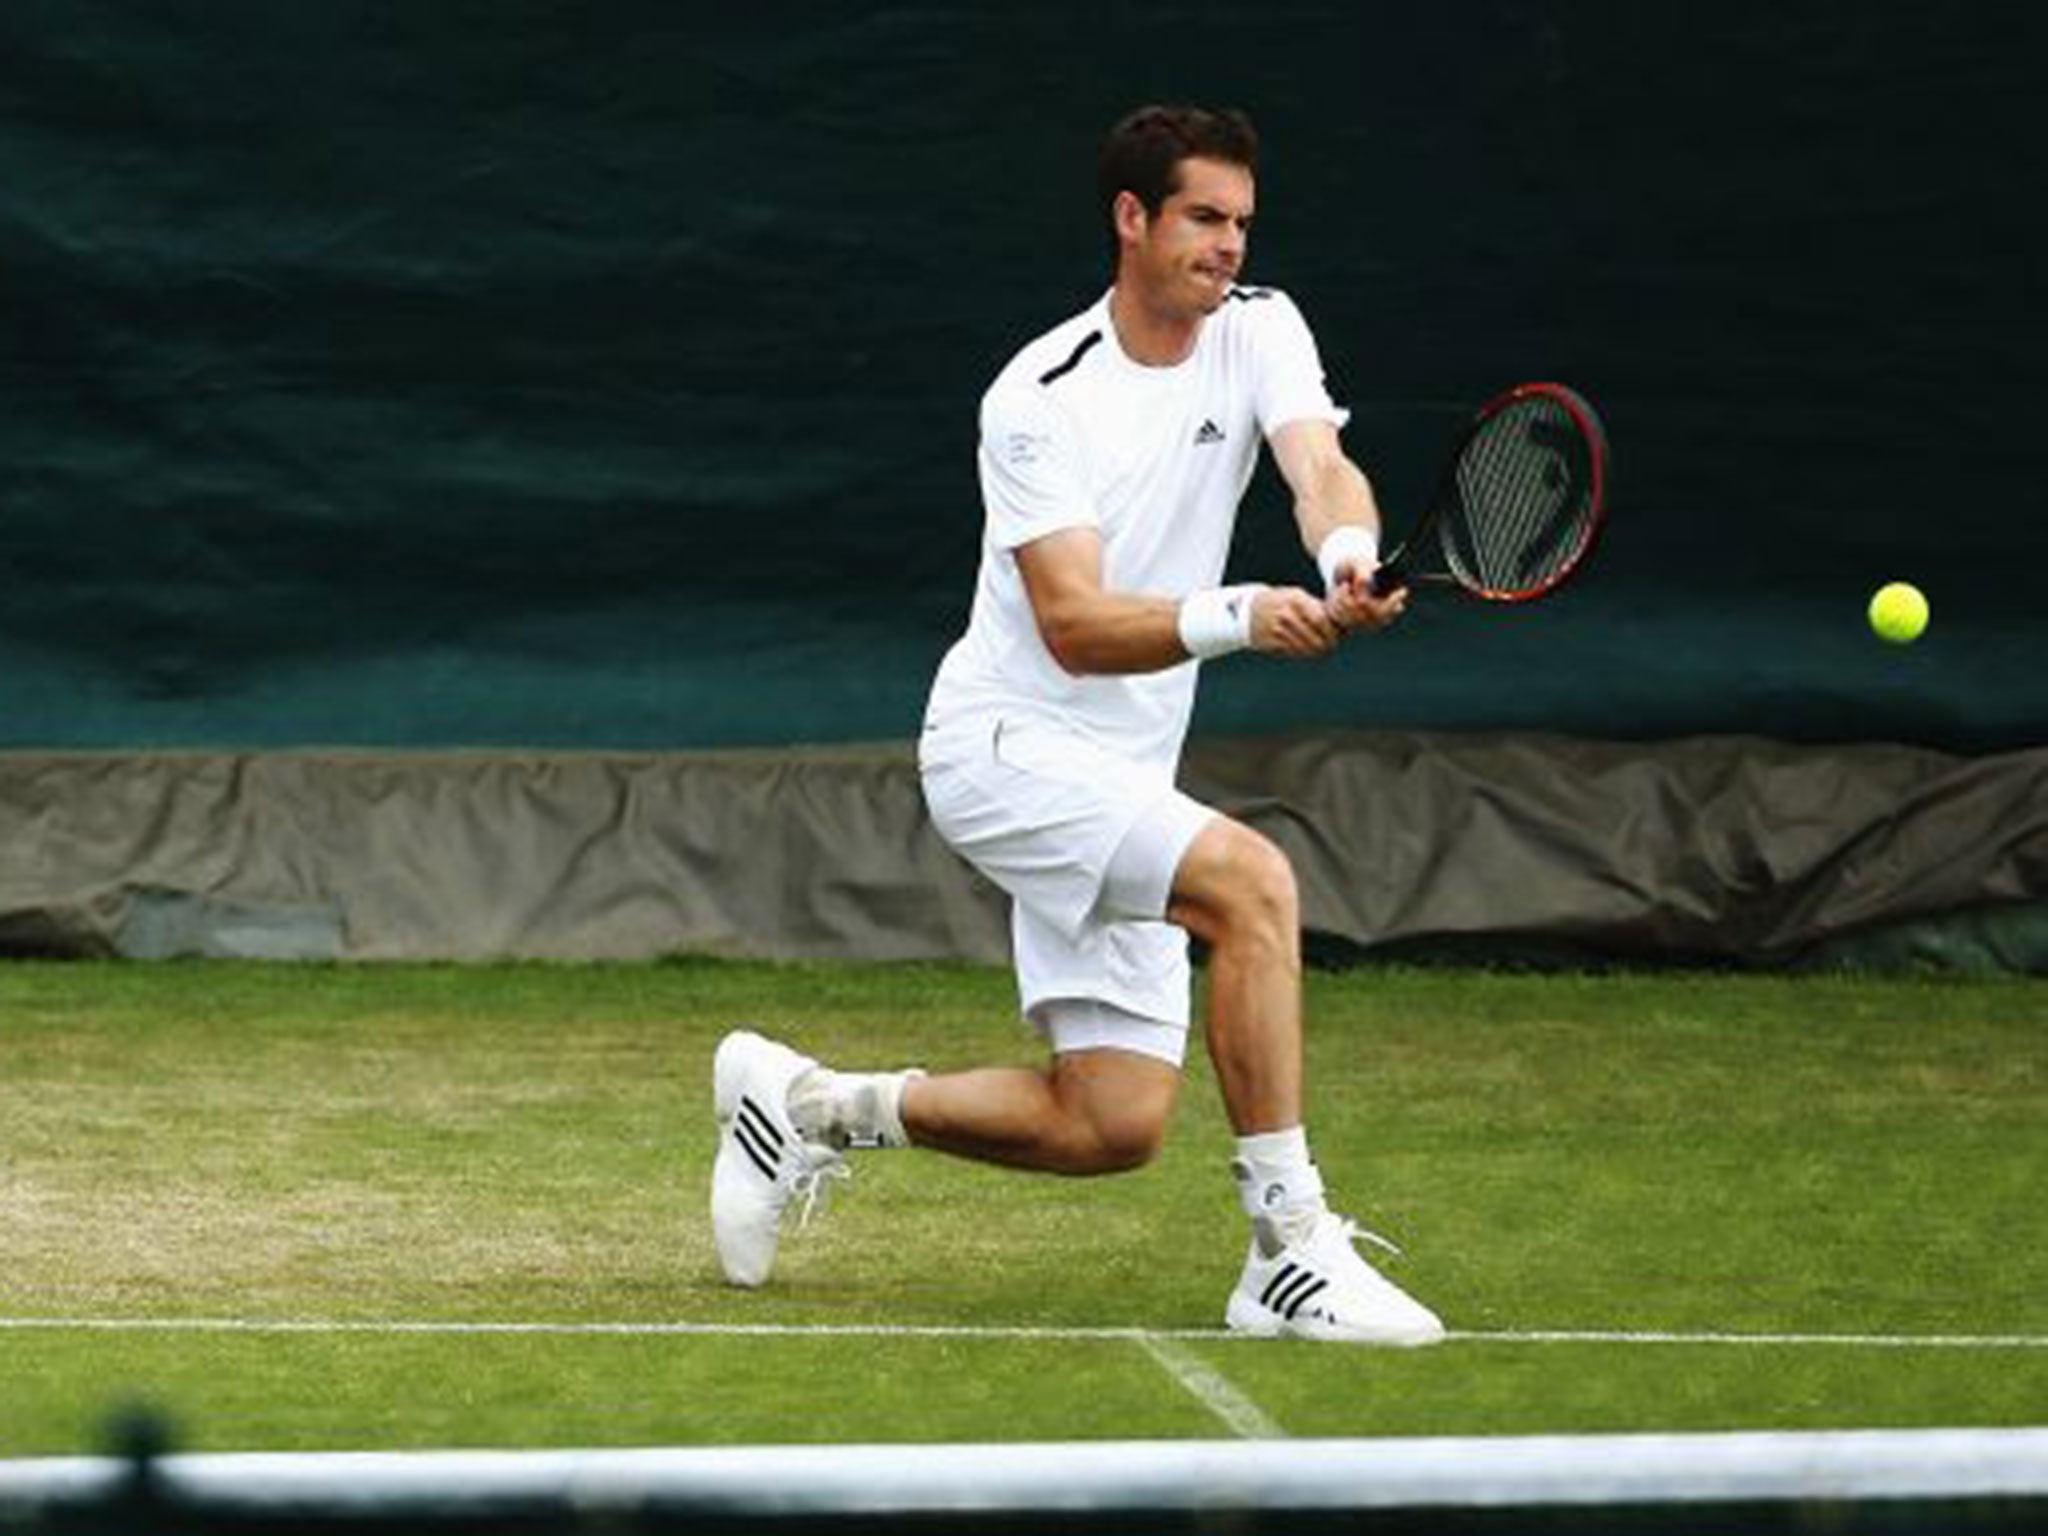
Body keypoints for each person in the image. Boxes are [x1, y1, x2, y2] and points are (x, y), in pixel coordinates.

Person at [711, 104, 1443, 1346]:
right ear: (1131, 219)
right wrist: (1240, 615)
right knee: (1251, 885)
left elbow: (1316, 464)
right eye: (1202, 219)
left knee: (1107, 1123)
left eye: (1240, 224)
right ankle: (1287, 1245)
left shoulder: (1259, 329)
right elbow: (1073, 622)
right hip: (1003, 751)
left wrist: (1345, 555)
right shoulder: (1037, 398)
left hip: (1119, 770)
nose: (1226, 247)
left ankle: (807, 1106)